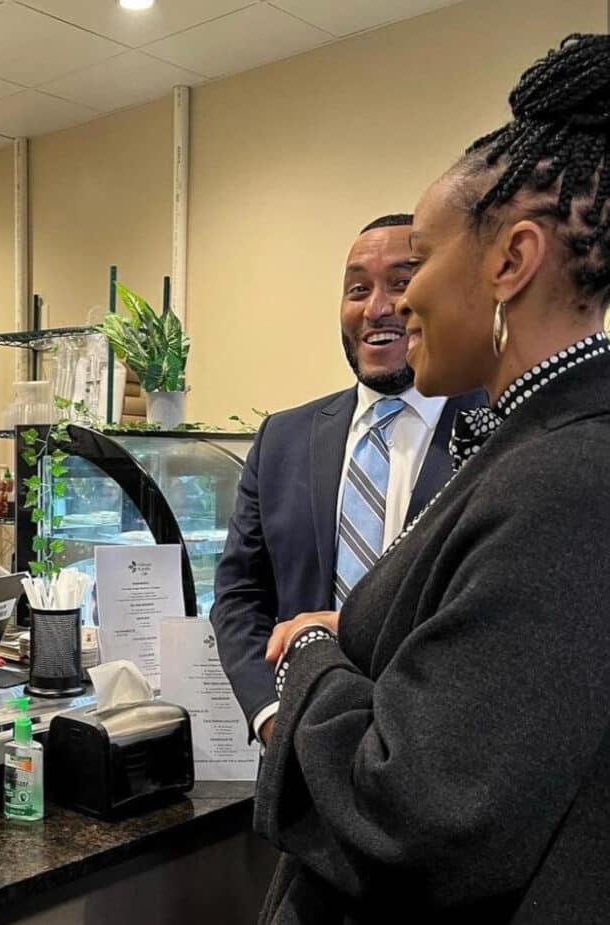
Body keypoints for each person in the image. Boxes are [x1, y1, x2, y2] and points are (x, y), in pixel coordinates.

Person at [257, 33, 610, 924]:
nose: (399, 302)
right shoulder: (527, 445)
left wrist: (310, 656)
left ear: (509, 262)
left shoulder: (567, 481)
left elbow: (413, 812)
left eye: (420, 261)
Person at [211, 215, 483, 746]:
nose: (376, 307)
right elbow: (240, 594)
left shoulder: (495, 432)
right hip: (299, 757)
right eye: (358, 289)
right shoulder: (282, 439)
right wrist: (269, 715)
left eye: (401, 282)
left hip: (437, 758)